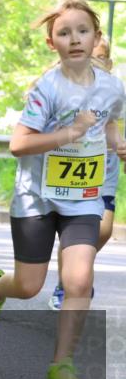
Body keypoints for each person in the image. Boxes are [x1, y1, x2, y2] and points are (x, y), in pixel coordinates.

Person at [0, 0, 124, 379]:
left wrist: (116, 143)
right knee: (28, 286)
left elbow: (110, 121)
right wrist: (69, 133)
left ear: (96, 37)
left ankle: (62, 366)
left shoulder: (112, 86)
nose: (74, 39)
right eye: (64, 33)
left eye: (83, 31)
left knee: (79, 280)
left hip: (84, 198)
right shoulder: (48, 88)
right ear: (51, 42)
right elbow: (19, 144)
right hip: (36, 198)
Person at [48, 37, 119, 310]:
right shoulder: (65, 87)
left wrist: (120, 146)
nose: (95, 62)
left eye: (101, 57)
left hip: (104, 171)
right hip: (72, 172)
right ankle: (66, 284)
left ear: (109, 62)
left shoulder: (114, 91)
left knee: (103, 230)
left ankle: (77, 267)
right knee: (77, 234)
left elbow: (116, 126)